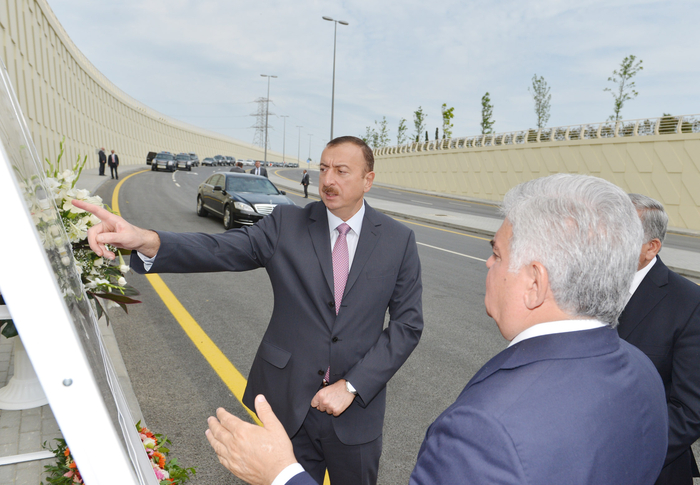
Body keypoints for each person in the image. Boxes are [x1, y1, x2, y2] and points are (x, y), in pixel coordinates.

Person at [204, 173, 669, 485]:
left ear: (534, 282)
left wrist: (282, 474)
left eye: (498, 253)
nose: (487, 264)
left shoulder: (484, 432)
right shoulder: (642, 373)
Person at [73, 136, 423, 485]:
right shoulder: (286, 224)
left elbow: (407, 326)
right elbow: (220, 249)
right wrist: (146, 240)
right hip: (287, 408)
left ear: (368, 180)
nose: (328, 180)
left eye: (342, 171)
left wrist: (351, 387)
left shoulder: (398, 240)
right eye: (323, 168)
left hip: (356, 413)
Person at [618, 193, 700, 485]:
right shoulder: (578, 286)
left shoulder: (689, 304)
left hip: (648, 470)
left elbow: (690, 410)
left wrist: (620, 453)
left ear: (650, 247)